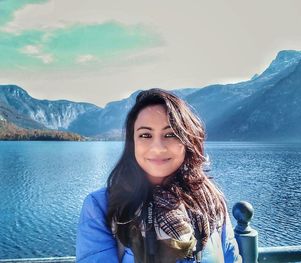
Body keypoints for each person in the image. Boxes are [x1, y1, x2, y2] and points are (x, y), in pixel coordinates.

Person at [76, 88, 242, 262]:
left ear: (187, 141)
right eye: (145, 135)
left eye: (170, 134)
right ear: (133, 143)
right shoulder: (101, 206)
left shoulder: (210, 201)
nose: (157, 147)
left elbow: (232, 257)